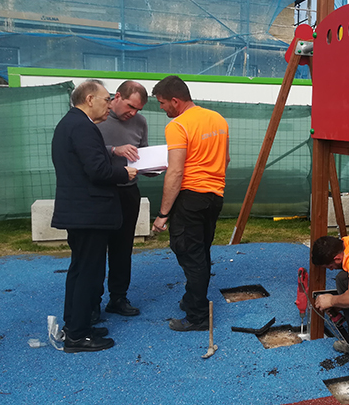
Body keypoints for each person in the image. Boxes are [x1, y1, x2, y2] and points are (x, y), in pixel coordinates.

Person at [51, 79, 137, 352]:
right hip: (88, 213)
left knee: (80, 270)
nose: (109, 105)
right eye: (106, 99)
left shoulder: (70, 124)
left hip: (80, 211)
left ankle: (76, 325)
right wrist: (124, 173)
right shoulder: (83, 127)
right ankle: (78, 335)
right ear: (89, 99)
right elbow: (97, 170)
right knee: (88, 272)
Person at [151, 75, 230, 332]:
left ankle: (197, 316)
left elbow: (175, 172)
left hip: (190, 197)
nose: (161, 108)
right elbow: (226, 159)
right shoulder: (218, 119)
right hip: (214, 196)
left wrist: (163, 214)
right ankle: (191, 299)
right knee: (201, 252)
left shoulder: (178, 125)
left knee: (189, 253)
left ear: (175, 101)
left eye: (162, 103)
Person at [95, 80, 149, 320]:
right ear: (117, 97)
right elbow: (86, 151)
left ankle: (118, 297)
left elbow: (142, 153)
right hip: (101, 191)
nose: (133, 113)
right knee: (95, 248)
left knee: (123, 247)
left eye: (138, 109)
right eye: (130, 106)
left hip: (129, 191)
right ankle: (92, 301)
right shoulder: (97, 117)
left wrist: (152, 167)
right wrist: (114, 150)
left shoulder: (141, 122)